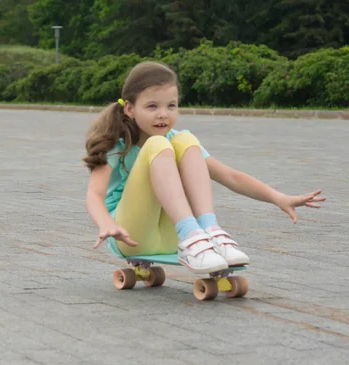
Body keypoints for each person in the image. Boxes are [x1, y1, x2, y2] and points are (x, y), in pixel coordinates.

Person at [83, 61, 325, 274]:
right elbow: (94, 194)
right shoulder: (117, 144)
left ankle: (207, 230)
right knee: (158, 144)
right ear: (130, 109)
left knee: (187, 140)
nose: (163, 115)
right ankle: (192, 233)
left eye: (171, 106)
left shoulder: (176, 140)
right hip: (128, 235)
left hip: (172, 239)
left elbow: (231, 177)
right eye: (152, 107)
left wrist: (278, 198)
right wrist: (105, 223)